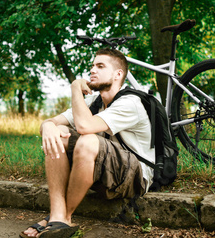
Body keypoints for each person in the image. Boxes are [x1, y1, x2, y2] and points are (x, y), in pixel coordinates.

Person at [20, 48, 155, 238]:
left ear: (118, 74)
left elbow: (84, 126)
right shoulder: (94, 101)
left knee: (87, 140)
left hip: (134, 179)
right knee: (59, 134)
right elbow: (52, 122)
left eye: (100, 66)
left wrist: (75, 87)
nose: (92, 70)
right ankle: (57, 217)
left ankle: (63, 217)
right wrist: (48, 126)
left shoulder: (131, 102)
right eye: (92, 65)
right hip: (105, 174)